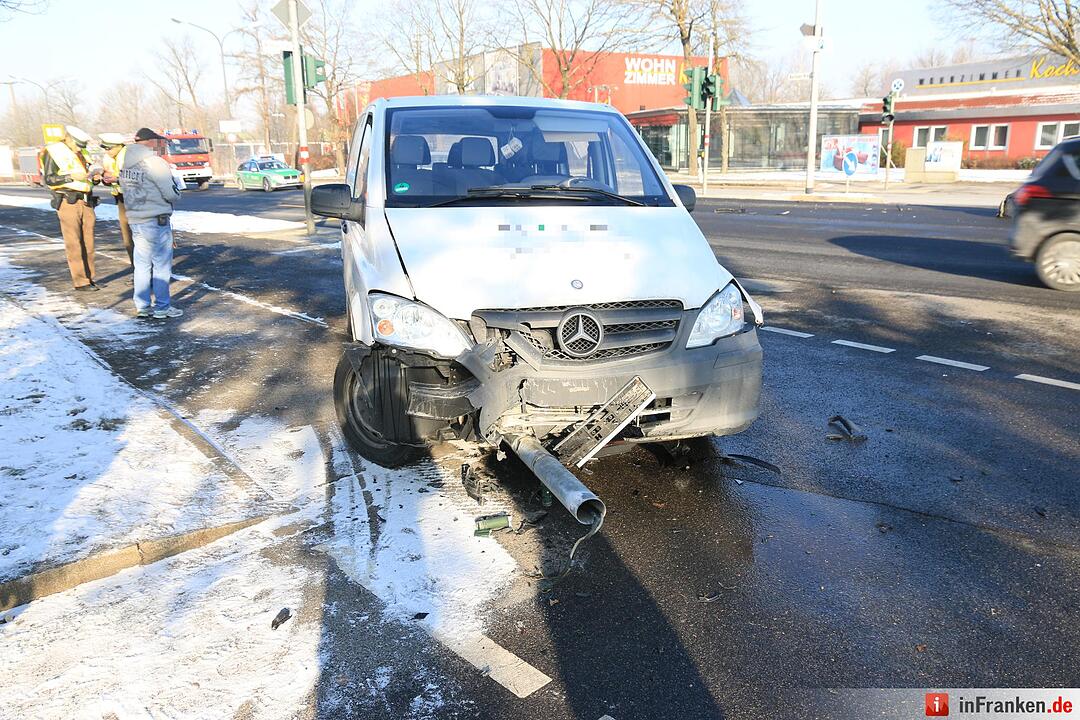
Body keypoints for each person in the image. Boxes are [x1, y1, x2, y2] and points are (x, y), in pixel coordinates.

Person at [119, 128, 183, 319]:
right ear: (151, 142)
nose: (161, 145)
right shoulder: (154, 162)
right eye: (159, 142)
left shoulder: (126, 163)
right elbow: (171, 193)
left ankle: (143, 306)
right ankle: (162, 308)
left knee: (142, 265)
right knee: (161, 265)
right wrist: (177, 192)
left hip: (136, 219)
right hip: (155, 219)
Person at [42, 125, 102, 291]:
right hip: (68, 201)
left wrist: (96, 178)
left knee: (89, 243)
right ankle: (80, 281)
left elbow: (88, 176)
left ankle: (90, 278)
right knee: (74, 243)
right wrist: (70, 177)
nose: (78, 148)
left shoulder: (81, 153)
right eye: (77, 145)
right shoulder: (53, 151)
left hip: (86, 201)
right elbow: (49, 178)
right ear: (68, 139)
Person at [99, 132, 134, 264]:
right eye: (105, 148)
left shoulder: (129, 156)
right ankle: (136, 268)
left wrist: (118, 179)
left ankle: (146, 271)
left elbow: (137, 178)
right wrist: (104, 178)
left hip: (134, 199)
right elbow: (109, 176)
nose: (107, 151)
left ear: (119, 146)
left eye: (109, 148)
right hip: (121, 199)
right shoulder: (109, 158)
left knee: (138, 236)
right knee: (128, 237)